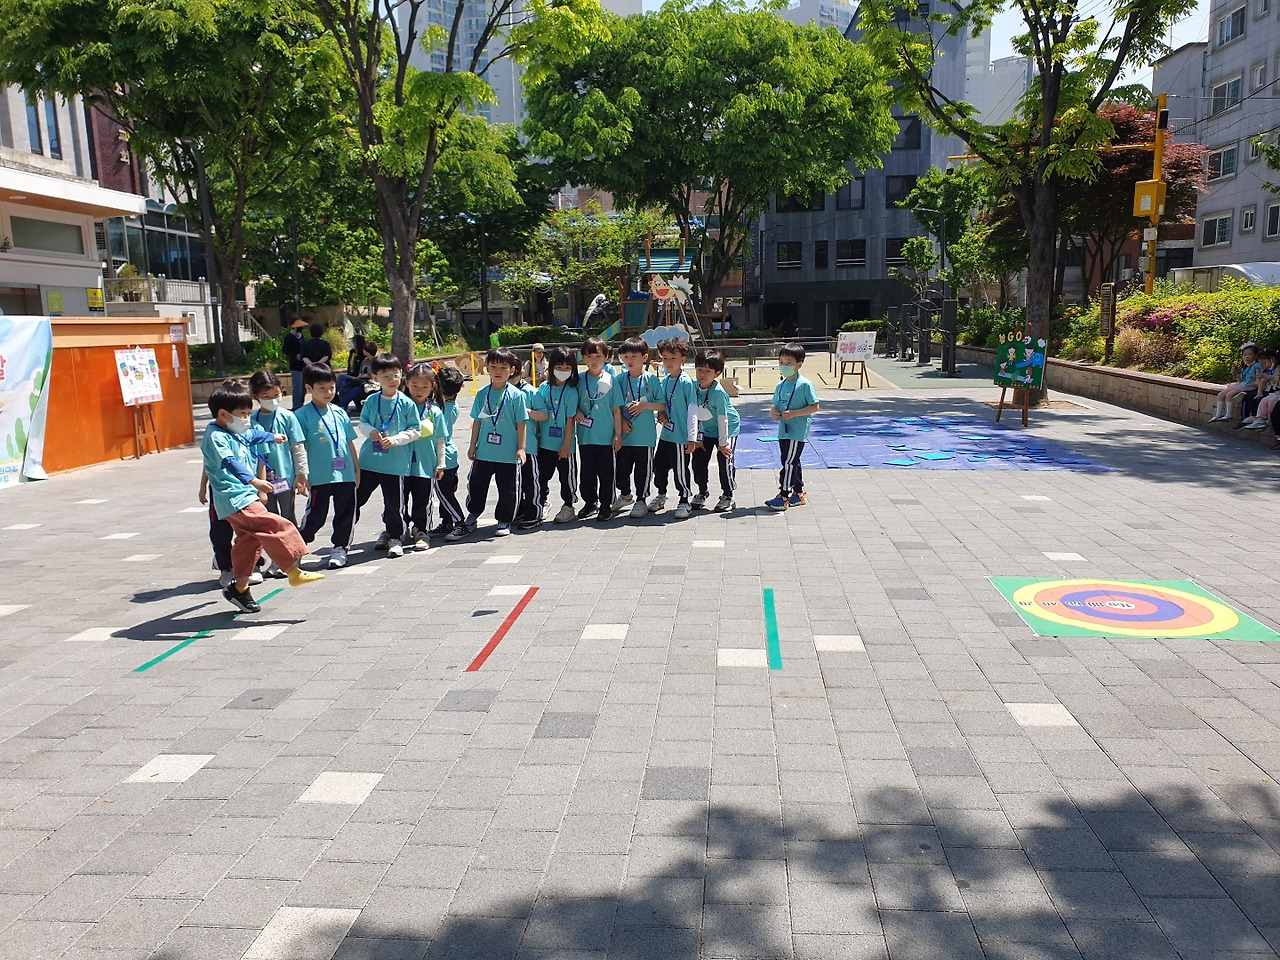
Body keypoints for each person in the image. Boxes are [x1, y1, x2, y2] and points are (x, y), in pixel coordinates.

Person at [201, 379, 324, 612]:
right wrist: (255, 481)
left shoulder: (233, 430)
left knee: (250, 541)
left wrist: (272, 437)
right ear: (223, 414)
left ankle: (239, 589)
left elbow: (252, 436)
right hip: (235, 497)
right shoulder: (216, 436)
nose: (247, 418)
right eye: (242, 414)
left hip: (243, 496)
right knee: (275, 524)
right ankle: (293, 570)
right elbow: (230, 462)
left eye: (249, 413)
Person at [451, 347, 529, 540]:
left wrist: (521, 448)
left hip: (507, 454)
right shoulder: (482, 394)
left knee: (508, 489)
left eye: (503, 367)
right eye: (493, 366)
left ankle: (504, 520)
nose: (498, 371)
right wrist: (472, 445)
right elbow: (477, 421)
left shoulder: (516, 395)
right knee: (476, 485)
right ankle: (473, 515)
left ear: (512, 370)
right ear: (487, 368)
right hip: (484, 453)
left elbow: (521, 423)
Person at [355, 353, 422, 558]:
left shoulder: (407, 403)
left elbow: (415, 430)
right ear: (375, 378)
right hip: (369, 462)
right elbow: (362, 423)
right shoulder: (371, 400)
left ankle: (395, 537)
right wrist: (370, 431)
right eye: (386, 376)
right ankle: (343, 539)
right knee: (355, 499)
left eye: (396, 374)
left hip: (396, 464)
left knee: (394, 504)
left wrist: (396, 439)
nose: (392, 380)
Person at [296, 363, 362, 568]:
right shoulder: (301, 415)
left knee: (346, 512)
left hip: (345, 474)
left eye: (331, 387)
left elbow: (349, 443)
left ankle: (340, 547)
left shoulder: (340, 413)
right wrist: (301, 474)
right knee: (315, 515)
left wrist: (356, 469)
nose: (328, 392)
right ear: (309, 389)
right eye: (322, 388)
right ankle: (296, 548)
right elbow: (298, 448)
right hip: (319, 476)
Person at [249, 371, 309, 577]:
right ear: (255, 396)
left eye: (276, 395)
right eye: (266, 397)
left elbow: (297, 446)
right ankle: (278, 559)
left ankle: (293, 556)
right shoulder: (252, 421)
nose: (272, 400)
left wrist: (301, 474)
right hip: (263, 481)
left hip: (285, 478)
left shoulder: (288, 416)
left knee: (288, 516)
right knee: (270, 520)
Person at [526, 345, 580, 527]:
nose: (563, 371)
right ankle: (542, 502)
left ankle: (568, 506)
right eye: (559, 367)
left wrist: (566, 445)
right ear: (551, 367)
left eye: (567, 368)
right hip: (545, 444)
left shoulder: (571, 391)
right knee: (541, 476)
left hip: (564, 446)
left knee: (567, 478)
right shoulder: (543, 388)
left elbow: (570, 420)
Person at [766, 342, 820, 511]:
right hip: (783, 430)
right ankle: (799, 492)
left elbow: (815, 407)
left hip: (797, 431)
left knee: (789, 462)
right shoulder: (780, 385)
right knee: (790, 460)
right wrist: (773, 412)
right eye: (781, 362)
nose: (784, 366)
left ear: (799, 364)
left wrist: (795, 413)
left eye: (788, 363)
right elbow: (775, 405)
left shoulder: (805, 384)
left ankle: (784, 495)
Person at [574, 337, 623, 523]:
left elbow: (616, 409)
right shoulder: (578, 380)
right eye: (589, 356)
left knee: (606, 474)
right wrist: (576, 411)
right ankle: (590, 503)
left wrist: (618, 435)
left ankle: (606, 505)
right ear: (583, 357)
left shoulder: (611, 380)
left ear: (606, 357)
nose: (594, 361)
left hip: (606, 437)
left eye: (598, 356)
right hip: (585, 437)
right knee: (587, 473)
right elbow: (572, 403)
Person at [614, 337, 663, 518]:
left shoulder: (651, 380)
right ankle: (626, 495)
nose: (630, 360)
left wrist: (645, 406)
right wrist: (620, 421)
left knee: (643, 472)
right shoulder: (619, 380)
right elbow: (614, 406)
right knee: (620, 472)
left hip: (645, 437)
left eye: (634, 356)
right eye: (625, 356)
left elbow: (662, 405)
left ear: (644, 357)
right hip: (624, 437)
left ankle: (641, 500)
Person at [650, 337, 698, 519]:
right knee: (658, 467)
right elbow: (662, 404)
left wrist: (691, 437)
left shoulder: (686, 382)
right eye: (664, 358)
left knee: (680, 470)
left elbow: (692, 411)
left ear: (683, 359)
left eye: (673, 358)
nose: (668, 362)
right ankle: (661, 495)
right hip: (666, 435)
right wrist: (660, 414)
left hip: (680, 437)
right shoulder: (665, 381)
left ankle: (685, 500)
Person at [402, 362, 447, 550]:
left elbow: (440, 440)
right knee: (398, 500)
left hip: (425, 465)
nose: (419, 391)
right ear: (407, 383)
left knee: (423, 500)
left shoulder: (434, 411)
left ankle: (421, 530)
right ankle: (397, 529)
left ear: (432, 387)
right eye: (414, 385)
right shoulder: (401, 407)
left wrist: (441, 464)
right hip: (401, 465)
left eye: (424, 387)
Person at [690, 349, 739, 512]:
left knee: (724, 459)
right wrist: (697, 438)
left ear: (717, 374)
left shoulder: (718, 393)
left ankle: (728, 495)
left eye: (708, 371)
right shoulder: (693, 387)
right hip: (707, 429)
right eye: (700, 370)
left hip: (727, 428)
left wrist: (723, 444)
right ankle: (702, 492)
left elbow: (723, 419)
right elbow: (693, 414)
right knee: (698, 460)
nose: (702, 375)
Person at [432, 366, 466, 538]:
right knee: (447, 491)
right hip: (451, 456)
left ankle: (460, 522)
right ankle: (446, 522)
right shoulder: (453, 406)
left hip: (442, 457)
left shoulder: (437, 409)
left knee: (443, 493)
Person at [512, 358, 543, 528]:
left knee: (530, 481)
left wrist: (526, 412)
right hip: (507, 446)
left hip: (528, 445)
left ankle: (534, 512)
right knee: (513, 482)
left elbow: (544, 415)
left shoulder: (531, 391)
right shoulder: (500, 391)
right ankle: (519, 509)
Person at [1209, 342, 1261, 423]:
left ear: (1255, 356)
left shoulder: (1257, 366)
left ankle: (1228, 415)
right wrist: (1235, 374)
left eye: (1250, 354)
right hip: (1243, 384)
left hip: (1250, 386)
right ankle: (1218, 414)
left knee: (1229, 394)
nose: (1247, 357)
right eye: (1245, 355)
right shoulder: (1245, 367)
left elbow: (1258, 379)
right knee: (1221, 394)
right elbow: (1241, 381)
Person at [1243, 348, 1279, 430]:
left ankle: (1269, 419)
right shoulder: (1267, 370)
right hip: (1268, 390)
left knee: (1268, 401)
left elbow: (1275, 377)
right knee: (1254, 397)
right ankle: (1258, 418)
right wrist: (1259, 391)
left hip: (1273, 391)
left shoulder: (1276, 369)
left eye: (1265, 363)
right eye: (1262, 364)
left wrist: (1265, 377)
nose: (1264, 366)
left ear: (1272, 359)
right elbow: (1263, 381)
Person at [337, 339, 376, 411]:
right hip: (360, 380)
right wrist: (359, 377)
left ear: (368, 351)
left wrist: (361, 376)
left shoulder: (375, 361)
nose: (363, 351)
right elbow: (360, 371)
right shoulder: (365, 360)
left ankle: (341, 405)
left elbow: (372, 375)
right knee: (343, 384)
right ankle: (343, 406)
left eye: (364, 350)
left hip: (368, 383)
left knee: (354, 388)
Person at [284, 317, 307, 410]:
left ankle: (301, 403)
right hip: (295, 365)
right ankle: (296, 406)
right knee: (297, 386)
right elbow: (285, 350)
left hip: (303, 364)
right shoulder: (289, 337)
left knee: (303, 387)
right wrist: (295, 355)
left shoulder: (301, 336)